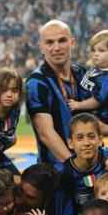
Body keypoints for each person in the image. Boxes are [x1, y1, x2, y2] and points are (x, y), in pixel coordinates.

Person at [25, 20, 88, 165]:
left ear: (72, 42)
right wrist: (76, 166)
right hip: (56, 171)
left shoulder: (83, 74)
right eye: (49, 42)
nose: (56, 47)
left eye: (62, 40)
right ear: (41, 47)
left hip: (88, 162)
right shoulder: (36, 82)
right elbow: (45, 133)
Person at [54, 113, 108, 215]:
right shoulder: (62, 173)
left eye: (91, 137)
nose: (86, 143)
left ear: (100, 140)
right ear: (70, 143)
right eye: (79, 138)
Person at [68, 29, 108, 136]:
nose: (95, 54)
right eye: (93, 50)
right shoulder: (96, 70)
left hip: (100, 119)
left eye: (101, 51)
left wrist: (79, 105)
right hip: (90, 114)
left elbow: (97, 100)